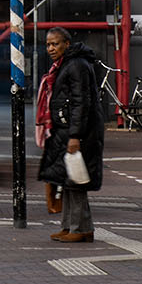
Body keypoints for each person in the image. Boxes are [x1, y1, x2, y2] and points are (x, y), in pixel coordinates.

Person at [35, 28, 104, 242]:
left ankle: (80, 229)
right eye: (48, 44)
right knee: (67, 179)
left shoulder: (76, 65)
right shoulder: (65, 64)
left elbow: (80, 102)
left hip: (77, 132)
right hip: (64, 130)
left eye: (55, 44)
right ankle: (68, 226)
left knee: (76, 181)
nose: (51, 48)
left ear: (66, 43)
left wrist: (75, 135)